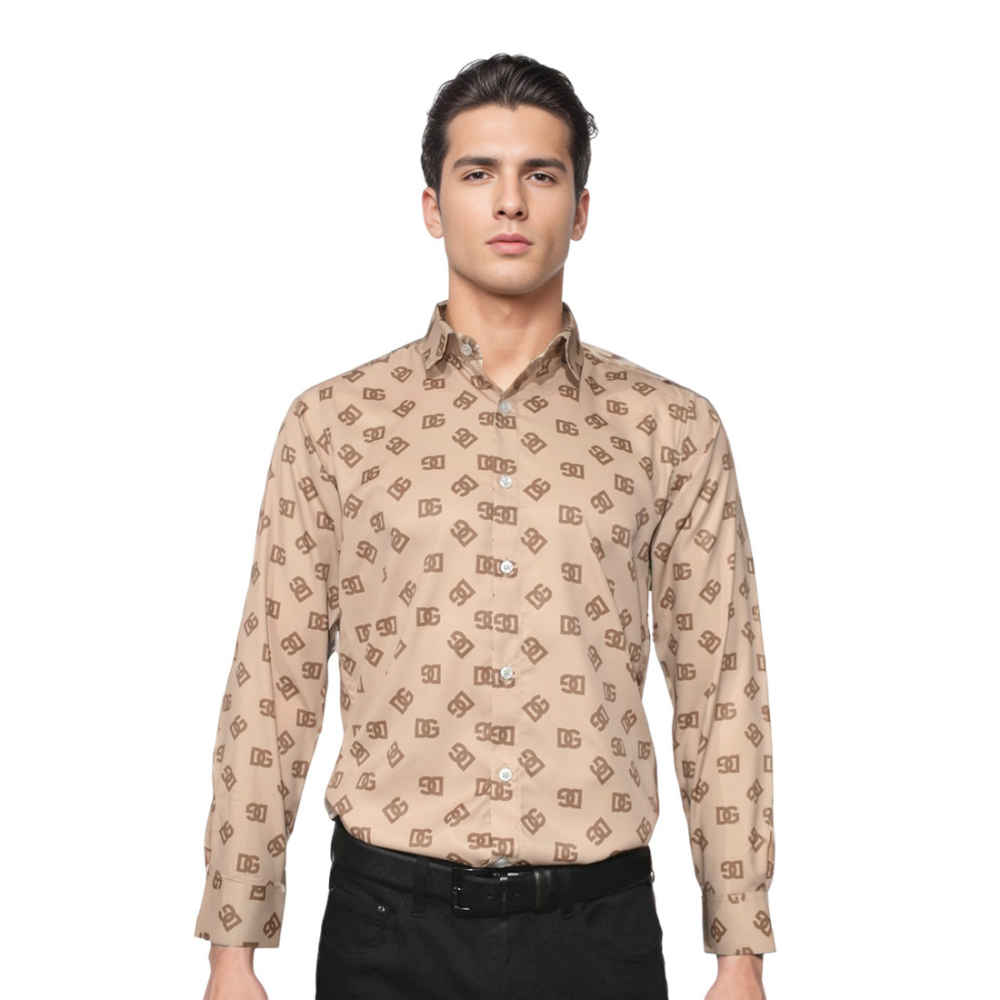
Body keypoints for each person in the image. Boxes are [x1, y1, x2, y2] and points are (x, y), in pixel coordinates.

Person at [195, 52, 776, 1000]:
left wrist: (739, 954)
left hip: (598, 936)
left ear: (580, 209)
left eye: (540, 174)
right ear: (433, 206)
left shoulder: (670, 429)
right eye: (478, 173)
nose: (510, 202)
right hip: (386, 931)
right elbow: (272, 682)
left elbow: (720, 694)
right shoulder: (334, 424)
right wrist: (233, 951)